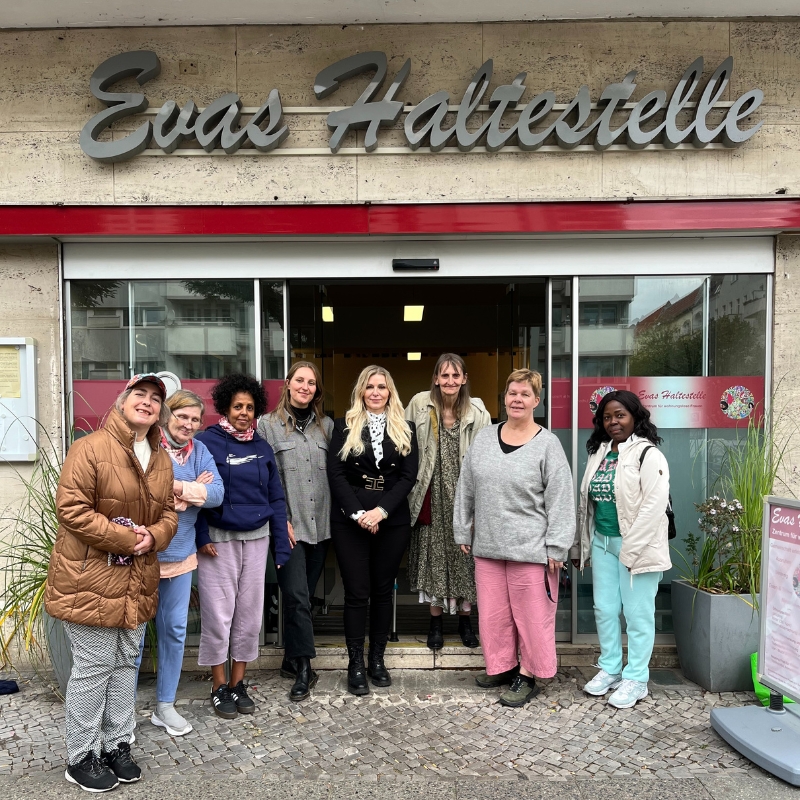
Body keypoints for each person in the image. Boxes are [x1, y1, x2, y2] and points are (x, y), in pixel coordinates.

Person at [45, 374, 178, 793]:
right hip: (91, 578)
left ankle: (116, 744)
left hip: (137, 579)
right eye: (139, 394)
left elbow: (169, 513)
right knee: (94, 667)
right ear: (122, 402)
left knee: (124, 665)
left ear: (160, 411)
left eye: (155, 398)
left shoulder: (161, 458)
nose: (147, 402)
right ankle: (81, 756)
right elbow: (72, 509)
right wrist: (127, 538)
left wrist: (154, 536)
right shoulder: (90, 448)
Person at [453, 369, 575, 708]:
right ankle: (503, 666)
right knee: (494, 616)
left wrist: (557, 546)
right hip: (488, 546)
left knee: (532, 617)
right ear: (504, 398)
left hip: (532, 550)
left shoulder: (548, 444)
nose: (517, 399)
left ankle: (528, 674)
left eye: (525, 394)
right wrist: (462, 528)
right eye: (512, 393)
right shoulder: (483, 439)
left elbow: (561, 498)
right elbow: (466, 487)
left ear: (537, 401)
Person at [195, 374, 291, 719]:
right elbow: (197, 494)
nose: (244, 413)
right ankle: (218, 686)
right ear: (225, 407)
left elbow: (276, 499)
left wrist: (281, 547)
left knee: (249, 618)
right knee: (218, 617)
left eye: (250, 407)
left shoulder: (262, 447)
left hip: (257, 539)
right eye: (238, 406)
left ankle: (238, 683)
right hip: (217, 541)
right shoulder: (205, 443)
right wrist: (201, 536)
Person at [571, 389, 671, 709]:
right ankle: (611, 668)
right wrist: (581, 545)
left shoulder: (648, 454)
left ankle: (637, 678)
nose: (613, 421)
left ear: (634, 417)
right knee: (604, 609)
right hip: (602, 542)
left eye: (620, 415)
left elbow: (654, 507)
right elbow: (586, 505)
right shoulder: (599, 452)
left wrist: (630, 551)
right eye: (607, 417)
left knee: (637, 615)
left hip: (637, 548)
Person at [135, 390, 224, 736]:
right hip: (141, 557)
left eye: (195, 419)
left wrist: (180, 491)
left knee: (174, 632)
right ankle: (121, 713)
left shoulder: (199, 451)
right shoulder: (148, 447)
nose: (188, 424)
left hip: (181, 557)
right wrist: (191, 491)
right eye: (181, 416)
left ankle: (165, 706)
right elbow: (147, 495)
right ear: (166, 415)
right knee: (133, 636)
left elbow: (217, 494)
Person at [327, 365, 418, 696]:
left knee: (382, 591)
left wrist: (380, 511)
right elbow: (336, 473)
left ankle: (377, 660)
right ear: (361, 392)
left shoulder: (406, 428)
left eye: (381, 386)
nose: (376, 392)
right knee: (356, 593)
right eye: (370, 386)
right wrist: (357, 513)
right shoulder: (343, 426)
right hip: (350, 519)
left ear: (390, 391)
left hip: (391, 519)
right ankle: (355, 663)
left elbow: (408, 476)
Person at [258, 361, 333, 702]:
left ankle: (290, 659)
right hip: (288, 527)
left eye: (311, 383)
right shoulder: (267, 426)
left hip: (322, 526)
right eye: (300, 380)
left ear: (317, 390)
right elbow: (265, 480)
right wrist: (280, 520)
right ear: (288, 384)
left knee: (302, 598)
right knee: (297, 597)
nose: (305, 387)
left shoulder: (327, 427)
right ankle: (304, 669)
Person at [405, 353, 490, 650]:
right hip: (430, 494)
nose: (450, 381)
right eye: (444, 375)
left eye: (456, 375)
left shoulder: (478, 411)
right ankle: (436, 623)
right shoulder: (419, 404)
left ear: (464, 379)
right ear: (436, 378)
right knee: (434, 559)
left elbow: (484, 459)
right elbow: (402, 441)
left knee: (466, 560)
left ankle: (466, 622)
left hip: (464, 496)